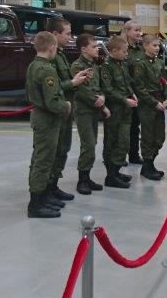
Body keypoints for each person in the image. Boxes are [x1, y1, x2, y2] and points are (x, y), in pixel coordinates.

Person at [24, 31, 71, 219]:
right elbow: (53, 102)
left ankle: (42, 197)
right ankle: (36, 204)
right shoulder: (47, 69)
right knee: (43, 161)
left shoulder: (33, 65)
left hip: (41, 116)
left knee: (41, 159)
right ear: (52, 48)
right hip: (47, 119)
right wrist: (66, 106)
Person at [47, 17, 91, 203]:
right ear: (55, 34)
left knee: (63, 149)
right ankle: (47, 189)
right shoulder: (51, 58)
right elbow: (53, 87)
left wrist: (76, 80)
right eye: (67, 33)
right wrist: (72, 82)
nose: (70, 37)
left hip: (65, 111)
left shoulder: (61, 54)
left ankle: (54, 186)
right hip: (57, 111)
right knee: (54, 151)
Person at [70, 34, 109, 195]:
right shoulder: (77, 66)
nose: (97, 49)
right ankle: (82, 180)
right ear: (83, 49)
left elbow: (99, 86)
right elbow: (82, 91)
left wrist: (103, 98)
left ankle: (87, 177)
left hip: (93, 110)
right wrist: (98, 102)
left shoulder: (93, 65)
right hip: (84, 110)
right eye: (93, 47)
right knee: (88, 145)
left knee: (92, 144)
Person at [99, 36, 138, 188]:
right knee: (113, 141)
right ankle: (111, 175)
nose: (126, 54)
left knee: (124, 141)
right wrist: (124, 100)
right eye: (124, 51)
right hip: (115, 109)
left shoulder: (120, 64)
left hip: (125, 110)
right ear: (114, 51)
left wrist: (131, 94)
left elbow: (126, 82)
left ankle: (116, 171)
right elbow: (108, 90)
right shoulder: (107, 66)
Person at [132, 34, 167, 181]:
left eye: (158, 45)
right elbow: (139, 89)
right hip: (147, 104)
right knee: (148, 137)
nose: (157, 48)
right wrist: (154, 103)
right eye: (154, 45)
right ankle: (147, 167)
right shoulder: (140, 64)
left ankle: (150, 164)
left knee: (159, 138)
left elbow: (163, 82)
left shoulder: (159, 63)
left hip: (159, 101)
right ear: (145, 46)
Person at [123, 20, 146, 165]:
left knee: (135, 126)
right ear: (127, 31)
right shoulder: (122, 48)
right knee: (123, 126)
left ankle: (133, 154)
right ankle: (117, 156)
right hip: (125, 93)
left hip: (139, 93)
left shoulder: (140, 50)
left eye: (139, 30)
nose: (138, 33)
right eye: (135, 30)